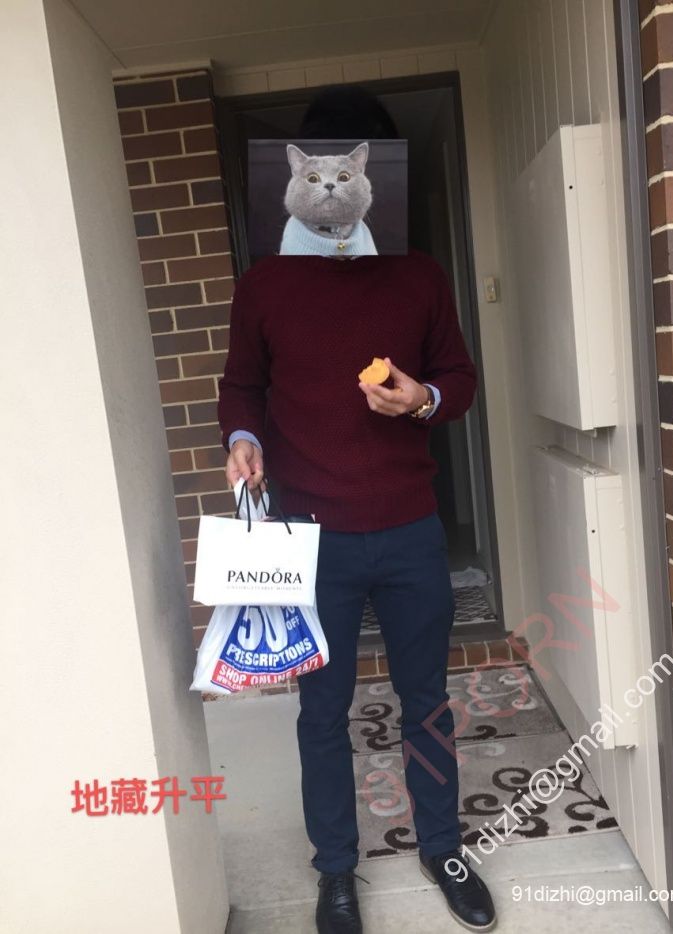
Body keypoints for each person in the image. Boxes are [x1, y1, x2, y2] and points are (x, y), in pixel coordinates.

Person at [217, 85, 497, 933]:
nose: (335, 189)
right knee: (321, 712)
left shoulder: (419, 275)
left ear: (378, 176)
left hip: (409, 526)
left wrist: (422, 400)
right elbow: (242, 386)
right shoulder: (264, 284)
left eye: (353, 170)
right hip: (311, 536)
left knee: (427, 701)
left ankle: (442, 846)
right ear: (295, 179)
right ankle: (336, 870)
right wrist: (242, 437)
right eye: (320, 173)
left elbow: (460, 379)